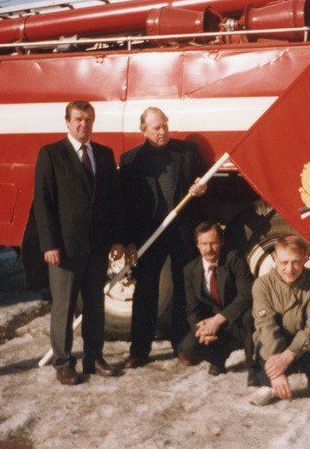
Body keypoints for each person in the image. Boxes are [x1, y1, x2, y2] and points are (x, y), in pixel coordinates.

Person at [33, 100, 127, 385]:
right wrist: (49, 244)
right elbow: (43, 202)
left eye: (88, 119)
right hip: (65, 247)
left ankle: (94, 357)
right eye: (77, 119)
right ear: (67, 122)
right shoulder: (51, 154)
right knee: (64, 306)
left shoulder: (104, 153)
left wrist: (118, 239)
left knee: (95, 306)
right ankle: (63, 362)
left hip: (97, 246)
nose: (83, 124)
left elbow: (114, 201)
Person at [120, 107, 207, 369]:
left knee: (183, 289)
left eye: (165, 125)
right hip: (149, 235)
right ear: (143, 131)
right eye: (156, 128)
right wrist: (129, 241)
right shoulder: (131, 160)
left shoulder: (188, 151)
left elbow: (204, 185)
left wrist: (202, 189)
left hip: (182, 232)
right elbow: (125, 206)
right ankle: (139, 350)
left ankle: (183, 346)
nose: (163, 131)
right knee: (146, 290)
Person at [248, 235, 310, 411]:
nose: (289, 269)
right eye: (284, 262)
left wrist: (288, 356)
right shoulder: (262, 285)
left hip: (308, 339)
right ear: (275, 259)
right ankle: (269, 384)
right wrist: (276, 373)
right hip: (276, 340)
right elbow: (266, 326)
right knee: (264, 339)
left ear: (304, 258)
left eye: (295, 262)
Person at [176, 221, 260, 385]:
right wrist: (202, 330)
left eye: (213, 243)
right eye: (204, 244)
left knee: (249, 317)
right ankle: (217, 359)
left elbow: (246, 293)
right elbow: (192, 309)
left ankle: (254, 368)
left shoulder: (233, 258)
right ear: (198, 245)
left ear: (221, 242)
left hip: (238, 317)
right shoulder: (190, 270)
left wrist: (218, 319)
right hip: (215, 321)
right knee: (188, 345)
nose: (209, 249)